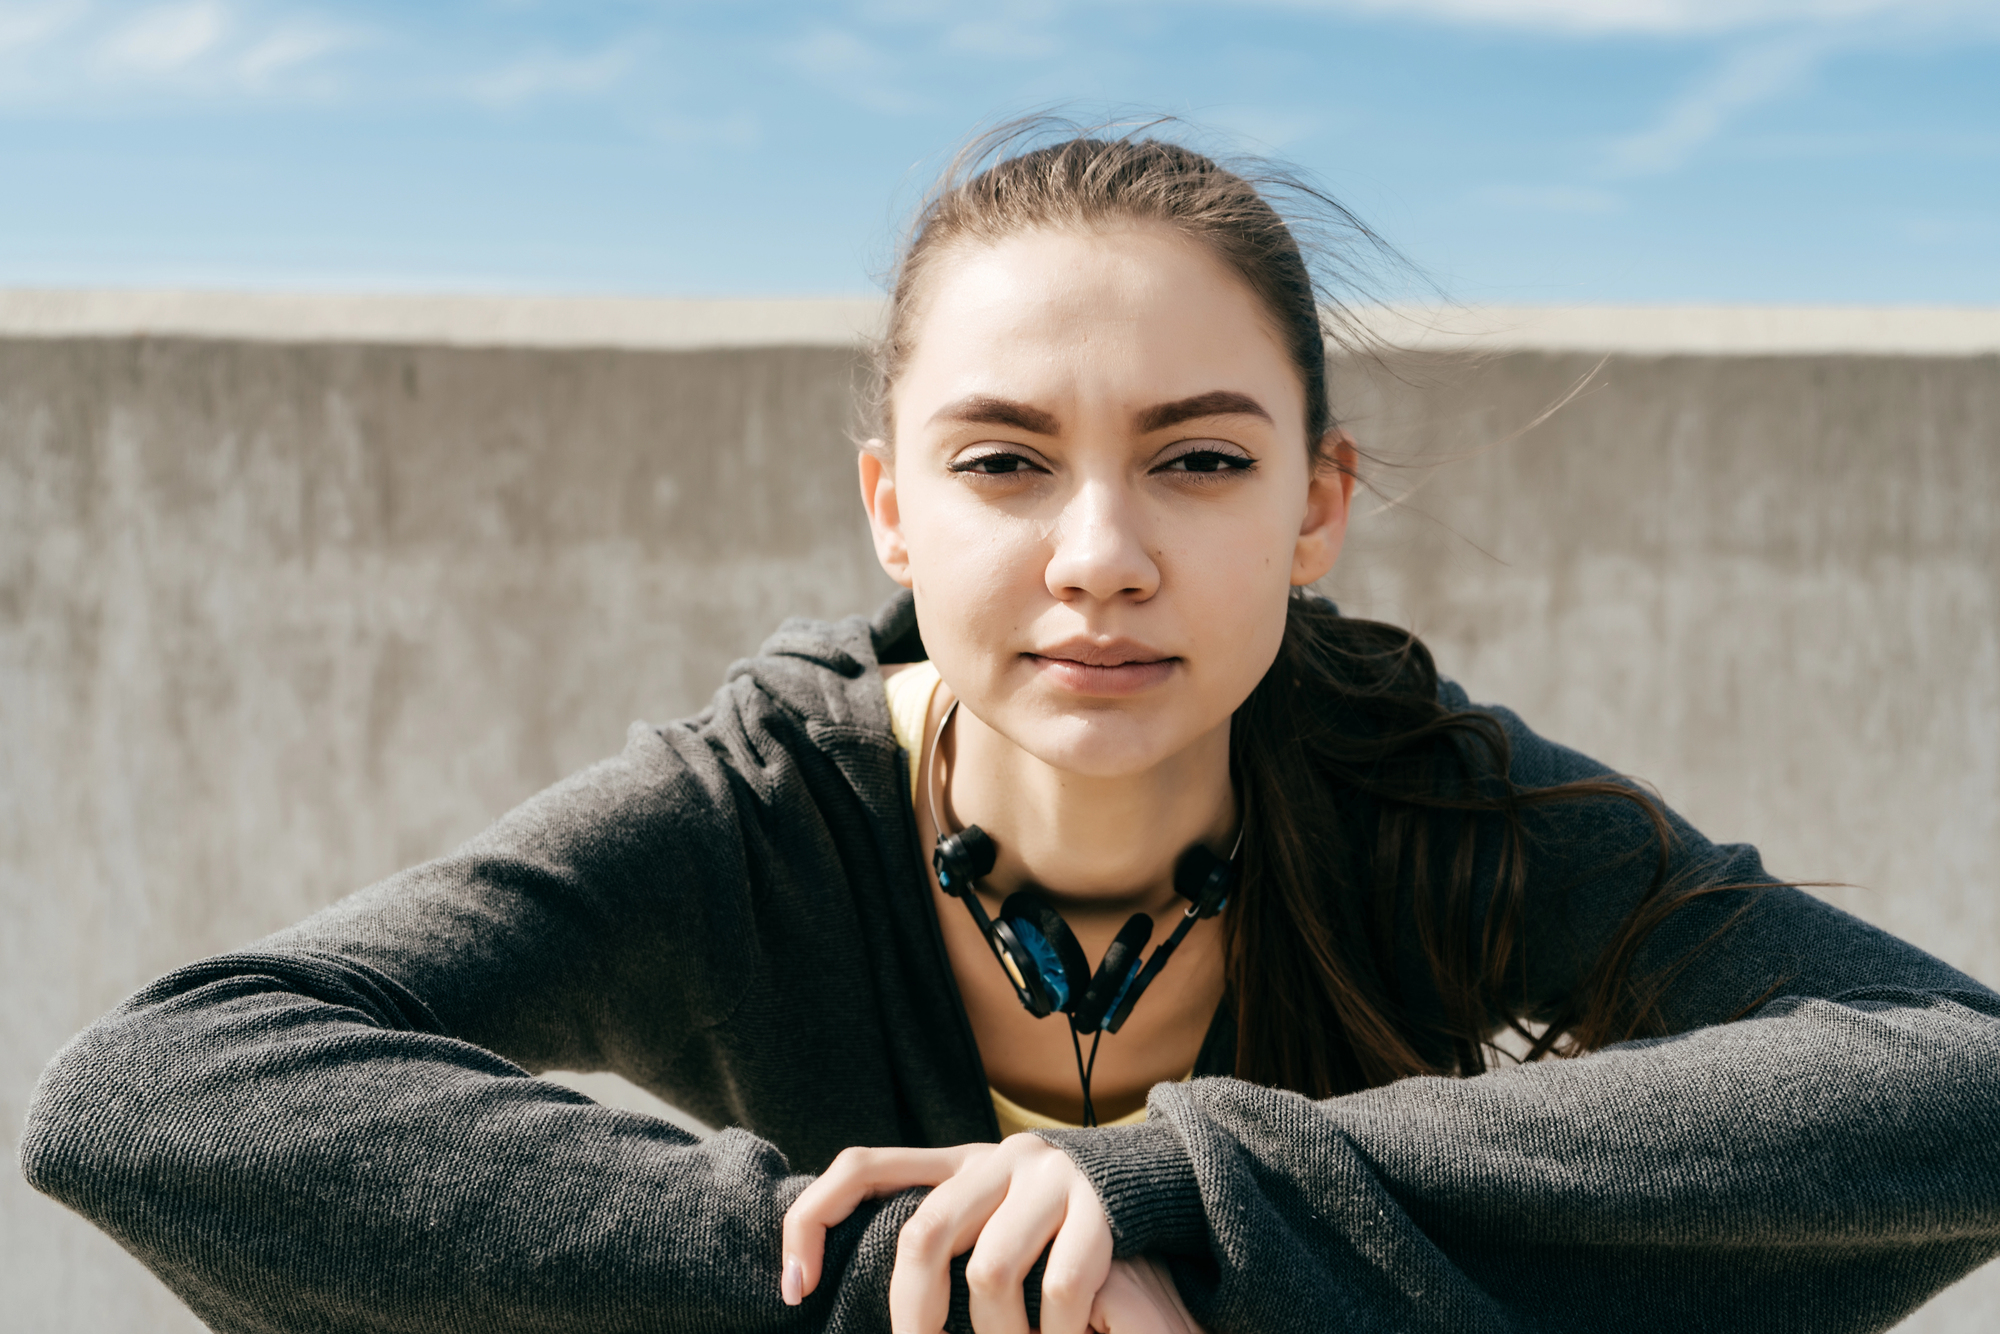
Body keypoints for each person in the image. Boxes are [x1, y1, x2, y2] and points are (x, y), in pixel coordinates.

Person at [20, 120, 2000, 1334]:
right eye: (1003, 461)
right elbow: (158, 1093)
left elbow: (1953, 1081)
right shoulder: (764, 810)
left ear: (1317, 503)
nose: (1102, 557)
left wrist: (1166, 1189)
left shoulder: (1419, 789)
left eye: (1200, 461)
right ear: (892, 503)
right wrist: (910, 1284)